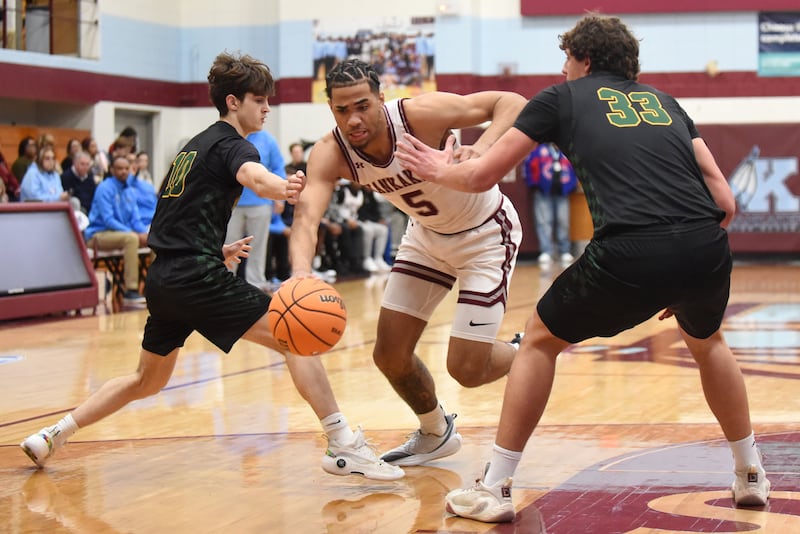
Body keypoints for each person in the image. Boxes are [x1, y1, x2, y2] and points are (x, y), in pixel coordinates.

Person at [394, 13, 770, 522]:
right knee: (708, 342)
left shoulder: (561, 97)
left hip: (633, 248)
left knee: (539, 339)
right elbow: (724, 201)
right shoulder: (665, 103)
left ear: (583, 59)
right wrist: (680, 271)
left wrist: (441, 167)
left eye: (566, 59)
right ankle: (750, 473)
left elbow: (482, 175)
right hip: (706, 248)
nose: (564, 69)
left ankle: (496, 486)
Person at [20, 51, 402, 483]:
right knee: (295, 336)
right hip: (194, 279)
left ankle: (54, 433)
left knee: (146, 380)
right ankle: (343, 444)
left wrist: (212, 249)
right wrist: (287, 186)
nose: (267, 108)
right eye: (260, 100)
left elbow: (170, 217)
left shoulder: (192, 146)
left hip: (165, 279)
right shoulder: (233, 144)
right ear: (234, 102)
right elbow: (256, 178)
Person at [289, 58, 526, 468]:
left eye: (362, 105)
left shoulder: (420, 115)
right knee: (389, 355)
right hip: (426, 238)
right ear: (331, 109)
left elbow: (513, 101)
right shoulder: (331, 152)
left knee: (467, 369)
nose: (354, 119)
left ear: (382, 98)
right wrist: (299, 275)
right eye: (342, 110)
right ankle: (436, 431)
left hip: (484, 233)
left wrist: (481, 148)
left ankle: (529, 353)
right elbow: (307, 217)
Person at [83, 155, 149, 304]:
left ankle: (154, 288)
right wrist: (134, 234)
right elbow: (108, 220)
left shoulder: (130, 190)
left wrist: (144, 234)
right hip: (98, 234)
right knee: (131, 239)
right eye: (120, 168)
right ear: (112, 170)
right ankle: (131, 291)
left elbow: (136, 219)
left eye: (126, 168)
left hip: (121, 234)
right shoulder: (104, 188)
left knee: (153, 239)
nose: (124, 171)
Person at [224, 128, 285, 290]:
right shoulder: (232, 138)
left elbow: (278, 167)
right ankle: (226, 284)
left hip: (261, 202)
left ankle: (256, 284)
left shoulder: (268, 140)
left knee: (257, 245)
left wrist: (279, 195)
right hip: (233, 204)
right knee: (229, 245)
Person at [523, 142, 578, 266]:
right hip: (543, 192)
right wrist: (534, 184)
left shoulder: (566, 151)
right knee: (544, 222)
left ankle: (564, 251)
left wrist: (572, 186)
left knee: (563, 221)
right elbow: (529, 167)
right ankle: (546, 251)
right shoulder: (539, 151)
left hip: (563, 192)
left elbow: (575, 169)